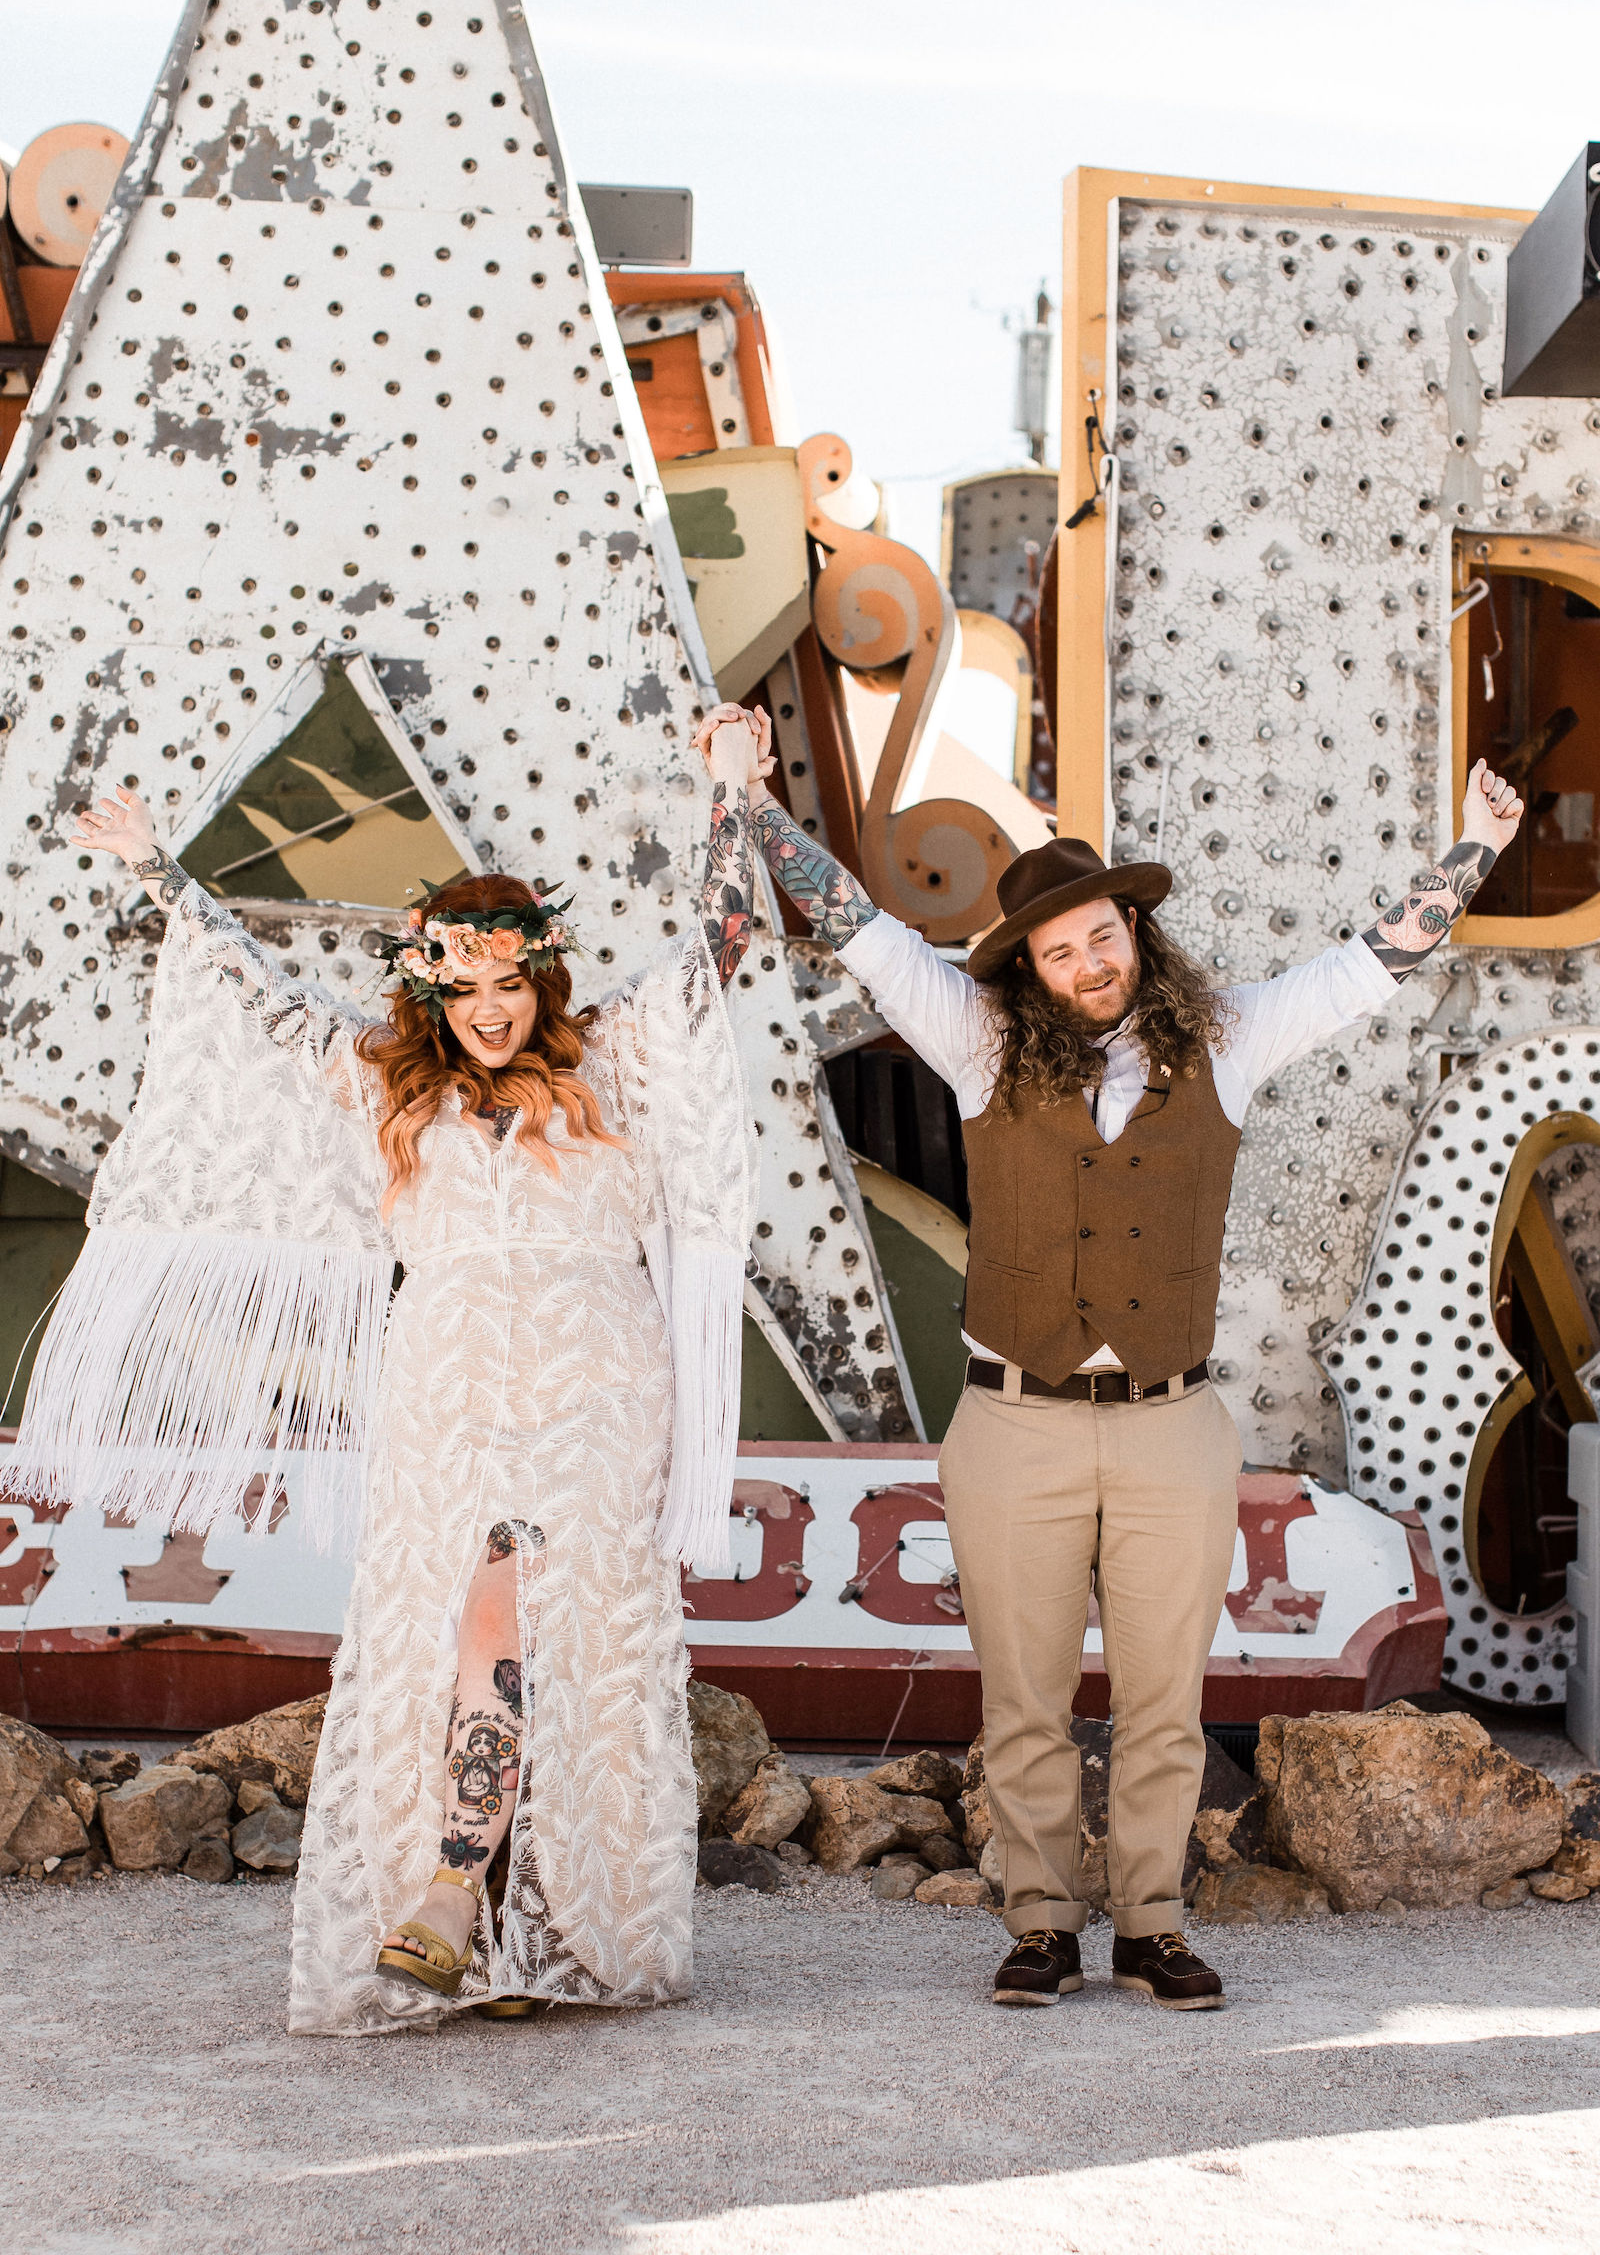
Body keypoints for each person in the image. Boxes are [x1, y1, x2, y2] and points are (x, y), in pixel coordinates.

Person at [7, 706, 767, 2034]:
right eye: (462, 988)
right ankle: (470, 1903)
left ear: (543, 982)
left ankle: (507, 1915)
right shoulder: (382, 1084)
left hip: (597, 1373)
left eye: (509, 984)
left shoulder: (617, 1070)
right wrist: (153, 870)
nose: (488, 1010)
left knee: (562, 1630)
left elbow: (716, 952)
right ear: (432, 990)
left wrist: (736, 794)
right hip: (450, 1380)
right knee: (476, 1622)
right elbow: (248, 993)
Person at [739, 736, 1523, 2011]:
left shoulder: (1227, 1039)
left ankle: (1152, 1922)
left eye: (1101, 937)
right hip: (1014, 1421)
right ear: (1030, 972)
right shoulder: (978, 1042)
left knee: (1165, 1693)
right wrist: (753, 802)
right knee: (1025, 1692)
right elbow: (857, 928)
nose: (1088, 964)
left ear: (1134, 936)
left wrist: (1476, 847)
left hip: (1169, 1423)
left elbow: (1370, 965)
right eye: (1059, 952)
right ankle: (1041, 1922)